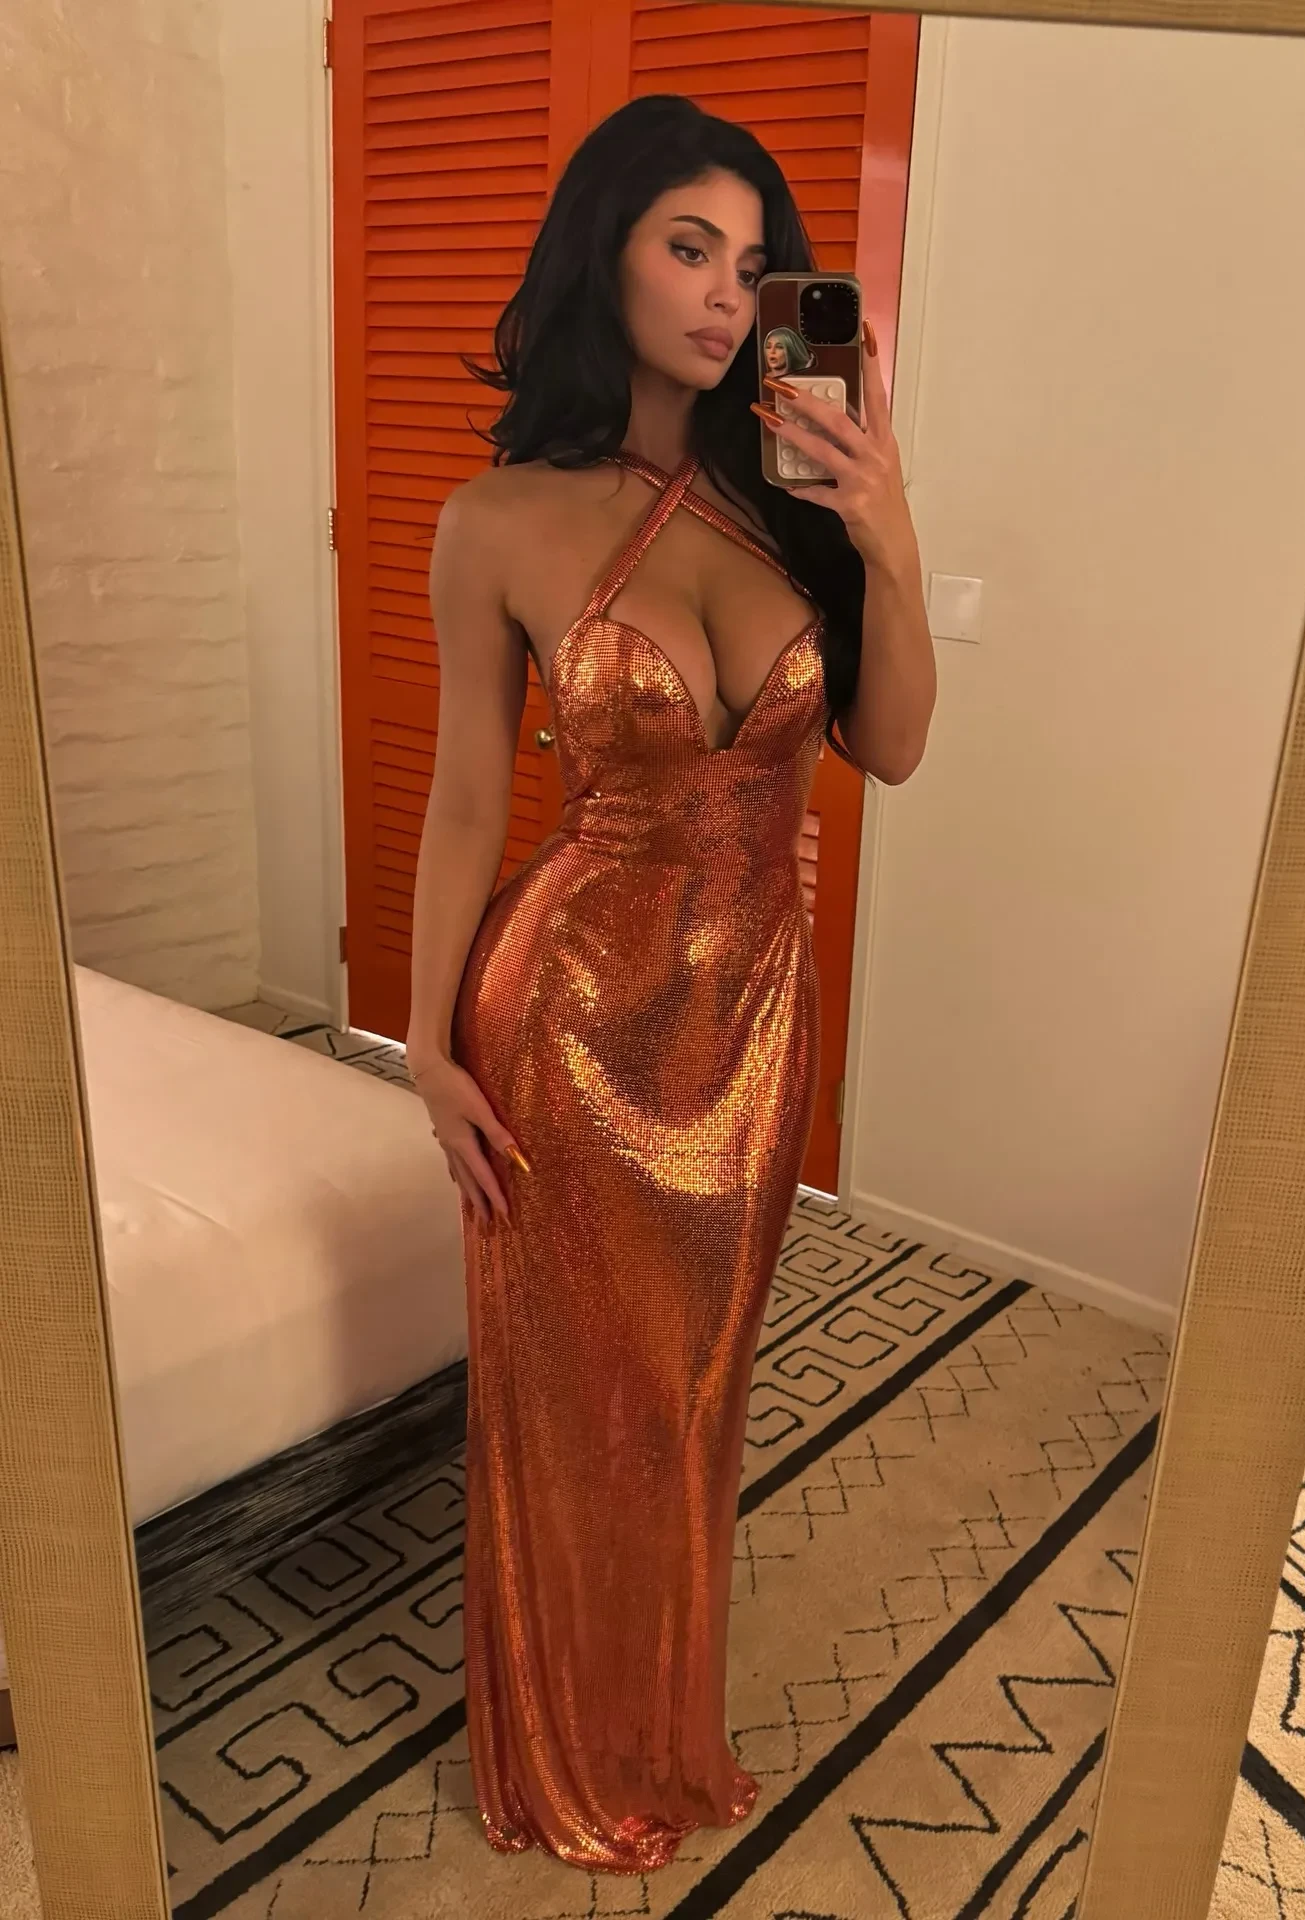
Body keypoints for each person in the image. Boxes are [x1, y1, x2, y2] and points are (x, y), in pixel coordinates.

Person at [405, 93, 935, 1876]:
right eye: (686, 247)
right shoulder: (496, 518)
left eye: (752, 261)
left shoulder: (790, 505)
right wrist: (426, 1049)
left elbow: (890, 746)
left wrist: (890, 530)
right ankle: (567, 1743)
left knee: (694, 1395)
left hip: (753, 1026)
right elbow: (465, 801)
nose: (724, 294)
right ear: (605, 256)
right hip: (561, 1019)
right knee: (569, 1401)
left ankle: (656, 1712)